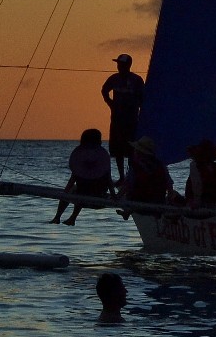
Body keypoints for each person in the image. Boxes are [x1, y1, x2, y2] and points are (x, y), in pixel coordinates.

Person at [53, 128, 114, 224]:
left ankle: (57, 217)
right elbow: (108, 179)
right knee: (80, 190)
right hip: (99, 195)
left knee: (74, 189)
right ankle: (72, 218)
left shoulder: (80, 157)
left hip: (83, 195)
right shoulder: (102, 157)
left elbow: (72, 179)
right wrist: (113, 195)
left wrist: (64, 193)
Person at [101, 53, 146, 183]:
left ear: (128, 65)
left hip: (131, 119)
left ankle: (131, 175)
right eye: (118, 64)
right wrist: (110, 103)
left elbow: (143, 97)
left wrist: (139, 108)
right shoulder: (114, 78)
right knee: (117, 149)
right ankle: (122, 176)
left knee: (132, 148)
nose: (119, 66)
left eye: (121, 64)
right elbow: (104, 90)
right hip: (117, 119)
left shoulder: (136, 80)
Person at [123, 137, 175, 205]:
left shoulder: (135, 166)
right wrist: (169, 200)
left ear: (139, 152)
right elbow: (169, 185)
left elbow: (127, 185)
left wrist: (117, 196)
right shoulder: (161, 165)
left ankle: (127, 211)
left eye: (136, 149)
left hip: (138, 201)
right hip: (159, 201)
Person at [185, 140, 216, 209]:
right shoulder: (196, 165)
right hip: (207, 204)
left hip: (208, 204)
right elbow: (197, 186)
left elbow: (197, 186)